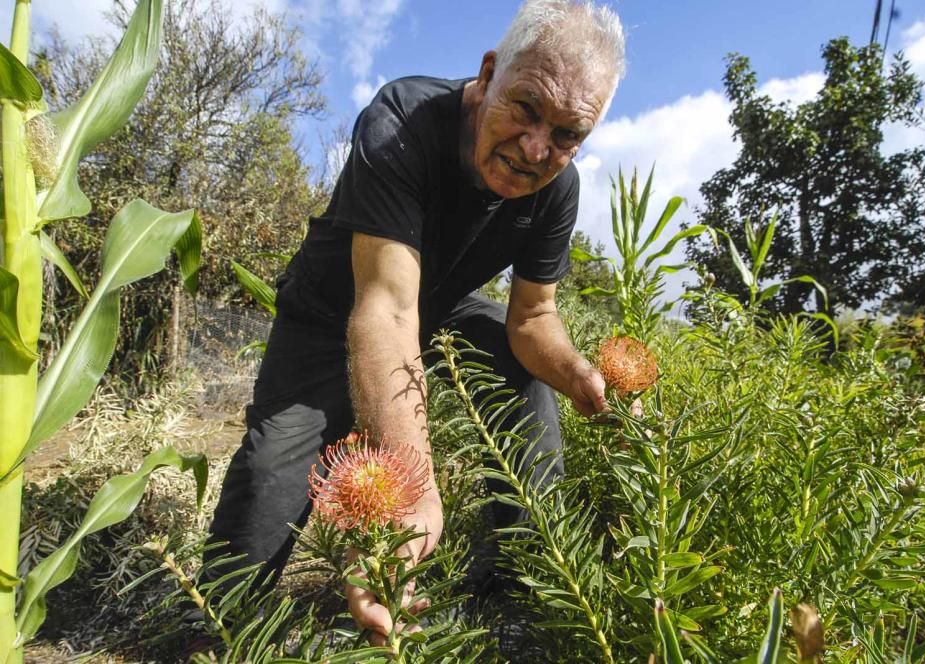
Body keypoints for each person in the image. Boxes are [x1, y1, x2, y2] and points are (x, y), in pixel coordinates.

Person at [205, 0, 625, 646]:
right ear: (488, 75)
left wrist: (583, 378)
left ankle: (526, 591)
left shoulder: (555, 189)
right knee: (268, 483)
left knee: (525, 375)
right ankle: (218, 631)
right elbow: (385, 308)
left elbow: (534, 317)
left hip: (437, 311)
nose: (537, 149)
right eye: (526, 108)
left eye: (568, 134)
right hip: (329, 311)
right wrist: (412, 492)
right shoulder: (403, 121)